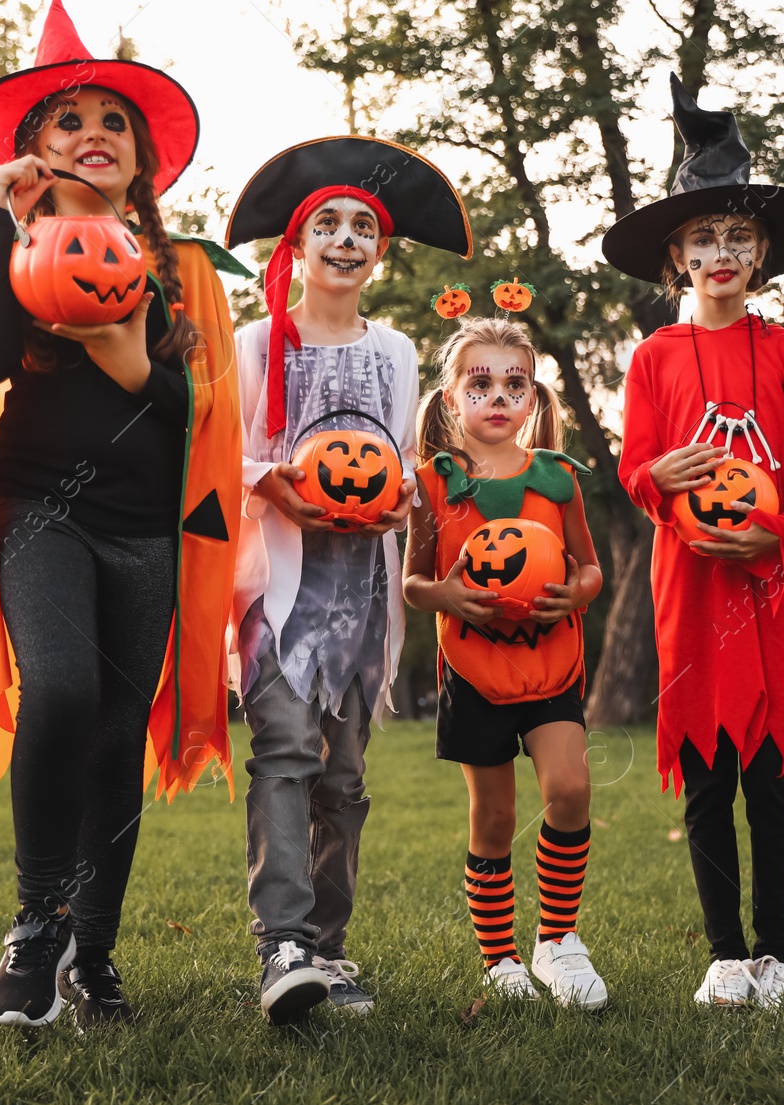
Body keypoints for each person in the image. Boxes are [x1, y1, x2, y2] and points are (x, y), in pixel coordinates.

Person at [0, 0, 243, 1032]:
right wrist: (0, 217)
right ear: (35, 151)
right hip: (40, 511)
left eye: (112, 123)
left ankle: (97, 955)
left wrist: (127, 356)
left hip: (146, 529)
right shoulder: (13, 251)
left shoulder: (187, 275)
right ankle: (36, 927)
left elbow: (192, 417)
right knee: (66, 689)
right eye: (66, 120)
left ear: (142, 160)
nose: (91, 134)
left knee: (119, 732)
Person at [605, 73, 784, 1019]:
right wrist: (657, 482)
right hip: (689, 588)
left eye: (739, 237)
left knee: (770, 781)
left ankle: (779, 953)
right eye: (704, 237)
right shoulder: (654, 359)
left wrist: (770, 529)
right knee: (706, 777)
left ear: (763, 253)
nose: (722, 252)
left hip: (766, 585)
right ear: (676, 253)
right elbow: (635, 469)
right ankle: (725, 955)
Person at [225, 136, 473, 1023]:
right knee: (286, 753)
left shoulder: (400, 352)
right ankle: (281, 942)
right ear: (296, 245)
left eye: (362, 226)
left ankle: (329, 950)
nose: (345, 237)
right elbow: (223, 458)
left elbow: (403, 464)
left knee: (346, 779)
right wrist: (273, 479)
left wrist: (400, 490)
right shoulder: (255, 343)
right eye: (326, 222)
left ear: (381, 250)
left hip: (363, 592)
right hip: (282, 591)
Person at [403, 318, 608, 1010]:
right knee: (492, 816)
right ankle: (500, 957)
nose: (498, 395)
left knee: (570, 789)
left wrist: (573, 594)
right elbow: (414, 582)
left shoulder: (558, 479)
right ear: (451, 398)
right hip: (473, 670)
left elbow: (590, 569)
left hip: (551, 662)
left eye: (514, 383)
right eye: (480, 382)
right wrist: (447, 594)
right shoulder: (434, 483)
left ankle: (558, 939)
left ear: (534, 399)